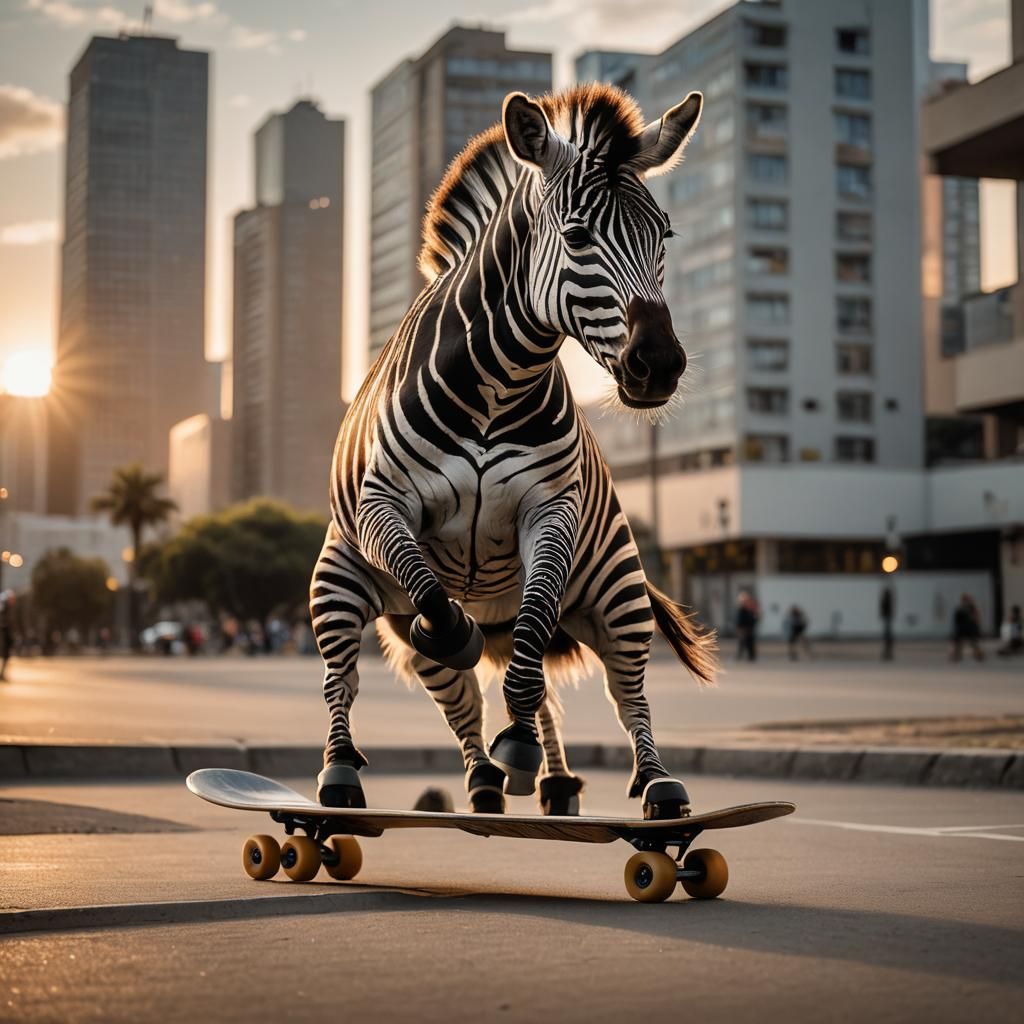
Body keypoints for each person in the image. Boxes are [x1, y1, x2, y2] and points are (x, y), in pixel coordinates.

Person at [950, 593, 984, 662]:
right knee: (960, 644)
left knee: (973, 643)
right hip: (962, 629)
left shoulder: (971, 608)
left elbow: (976, 618)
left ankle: (978, 656)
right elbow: (956, 621)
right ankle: (957, 656)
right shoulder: (960, 609)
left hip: (969, 628)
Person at [736, 590, 760, 662]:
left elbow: (753, 620)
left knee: (748, 642)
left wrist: (755, 616)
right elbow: (740, 620)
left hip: (749, 628)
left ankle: (751, 656)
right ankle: (745, 655)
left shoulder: (749, 610)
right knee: (743, 642)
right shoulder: (742, 610)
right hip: (744, 629)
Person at [0, 590, 14, 681]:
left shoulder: (7, 609)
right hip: (3, 635)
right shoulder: (3, 608)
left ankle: (2, 674)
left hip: (5, 636)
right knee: (5, 655)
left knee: (6, 656)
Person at [879, 586, 895, 661]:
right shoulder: (888, 599)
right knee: (887, 634)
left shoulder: (886, 599)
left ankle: (887, 652)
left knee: (887, 634)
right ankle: (888, 651)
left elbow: (883, 608)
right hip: (887, 617)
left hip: (887, 617)